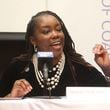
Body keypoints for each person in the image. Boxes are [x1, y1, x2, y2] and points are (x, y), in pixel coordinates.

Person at [0, 11, 108, 98]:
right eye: (46, 31)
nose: (56, 35)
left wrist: (107, 69)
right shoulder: (18, 68)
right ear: (33, 40)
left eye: (59, 29)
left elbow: (106, 97)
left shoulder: (79, 68)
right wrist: (11, 97)